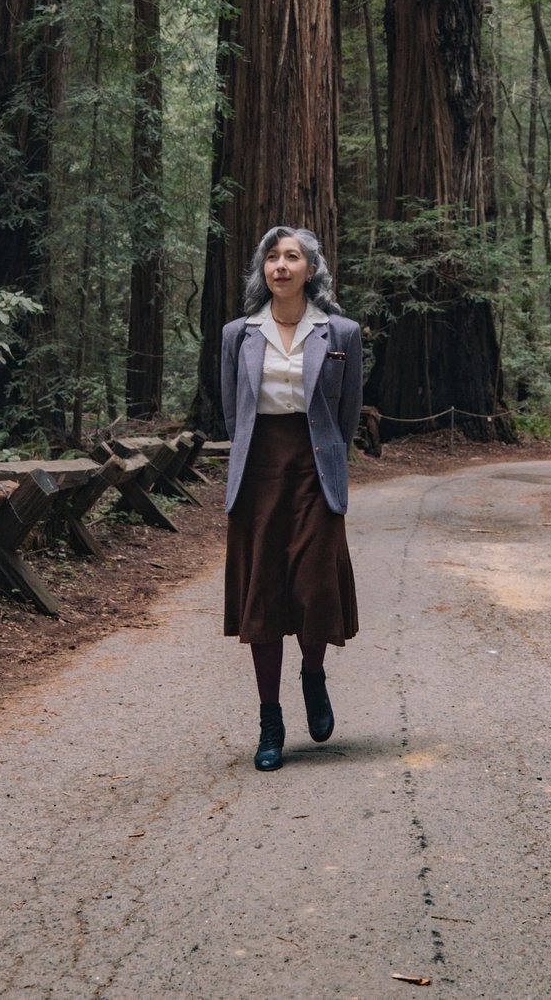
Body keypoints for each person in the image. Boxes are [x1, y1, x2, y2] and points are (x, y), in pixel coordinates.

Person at [221, 225, 363, 772]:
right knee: (264, 594)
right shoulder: (239, 333)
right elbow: (234, 412)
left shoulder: (341, 332)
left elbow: (345, 415)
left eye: (292, 257)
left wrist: (326, 458)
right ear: (264, 270)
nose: (281, 266)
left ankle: (312, 673)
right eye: (272, 258)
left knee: (313, 586)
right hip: (259, 473)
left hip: (316, 468)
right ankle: (270, 721)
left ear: (311, 269)